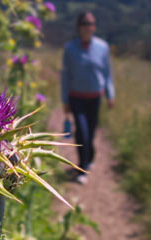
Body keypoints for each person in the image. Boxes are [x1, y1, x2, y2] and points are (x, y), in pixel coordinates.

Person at [61, 11, 115, 184]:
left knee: (90, 133)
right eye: (85, 23)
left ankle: (90, 157)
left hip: (95, 98)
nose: (88, 27)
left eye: (91, 23)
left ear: (94, 27)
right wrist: (65, 100)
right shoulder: (70, 48)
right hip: (76, 98)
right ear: (79, 26)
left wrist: (110, 94)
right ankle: (82, 168)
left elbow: (107, 73)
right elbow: (65, 76)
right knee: (82, 132)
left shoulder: (103, 47)